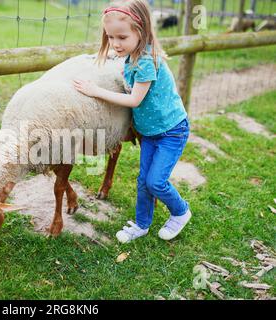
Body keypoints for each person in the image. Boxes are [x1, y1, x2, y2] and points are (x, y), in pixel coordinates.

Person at [73, 0, 191, 243]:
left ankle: (180, 211)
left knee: (155, 181)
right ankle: (141, 224)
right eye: (111, 37)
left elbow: (135, 100)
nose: (115, 44)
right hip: (150, 131)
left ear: (142, 31)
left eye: (122, 37)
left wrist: (95, 90)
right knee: (143, 181)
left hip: (172, 131)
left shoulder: (146, 61)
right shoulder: (132, 53)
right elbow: (115, 55)